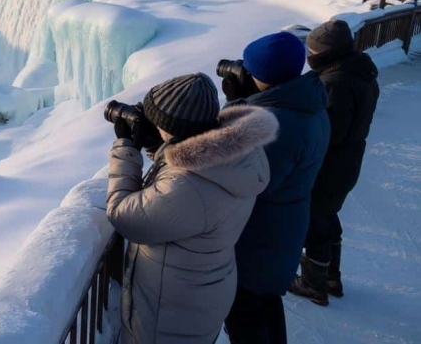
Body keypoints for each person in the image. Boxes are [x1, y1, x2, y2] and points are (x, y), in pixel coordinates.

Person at [106, 73, 277, 343]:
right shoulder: (233, 155)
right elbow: (183, 165)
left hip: (170, 311)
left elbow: (123, 215)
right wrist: (159, 146)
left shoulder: (188, 185)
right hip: (201, 291)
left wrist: (126, 148)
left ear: (171, 127)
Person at [221, 31, 331, 344]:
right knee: (266, 302)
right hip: (285, 226)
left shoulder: (274, 126)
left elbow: (244, 180)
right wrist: (248, 102)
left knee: (245, 314)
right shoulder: (310, 105)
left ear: (264, 75)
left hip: (259, 236)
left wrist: (235, 108)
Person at [289, 20, 379, 305]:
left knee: (317, 221)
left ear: (327, 54)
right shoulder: (359, 71)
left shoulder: (336, 83)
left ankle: (315, 284)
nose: (309, 55)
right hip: (346, 163)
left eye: (312, 50)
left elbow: (328, 133)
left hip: (329, 167)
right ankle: (330, 277)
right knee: (327, 216)